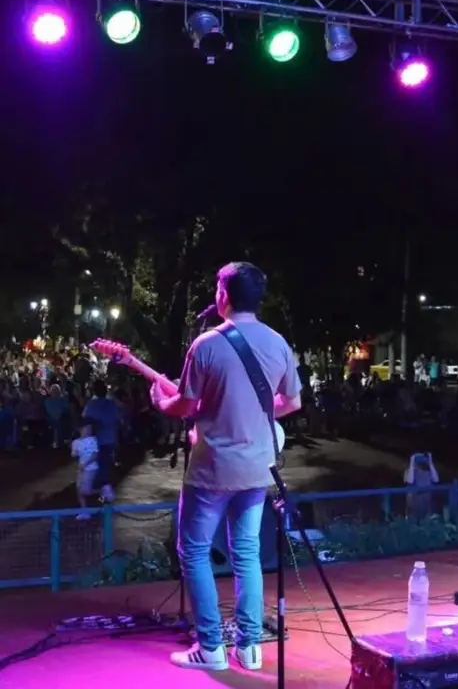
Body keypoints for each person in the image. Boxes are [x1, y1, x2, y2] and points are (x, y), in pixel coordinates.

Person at [149, 261, 302, 672]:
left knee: (195, 551)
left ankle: (211, 647)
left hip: (212, 470)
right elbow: (292, 401)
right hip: (258, 469)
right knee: (247, 552)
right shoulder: (278, 343)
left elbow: (185, 406)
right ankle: (249, 648)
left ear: (223, 296)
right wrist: (254, 415)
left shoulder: (206, 345)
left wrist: (160, 402)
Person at [83, 379, 121, 502]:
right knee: (105, 462)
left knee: (99, 463)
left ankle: (104, 487)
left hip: (97, 439)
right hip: (110, 437)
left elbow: (86, 420)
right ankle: (102, 486)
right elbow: (117, 421)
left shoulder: (91, 404)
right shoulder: (111, 404)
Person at [71, 422, 98, 521]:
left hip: (91, 468)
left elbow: (95, 455)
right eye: (87, 428)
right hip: (81, 469)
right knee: (79, 491)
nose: (88, 430)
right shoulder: (75, 442)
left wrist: (85, 464)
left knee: (85, 491)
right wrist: (74, 454)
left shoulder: (93, 440)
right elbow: (75, 454)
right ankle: (85, 511)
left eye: (90, 428)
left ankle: (103, 491)